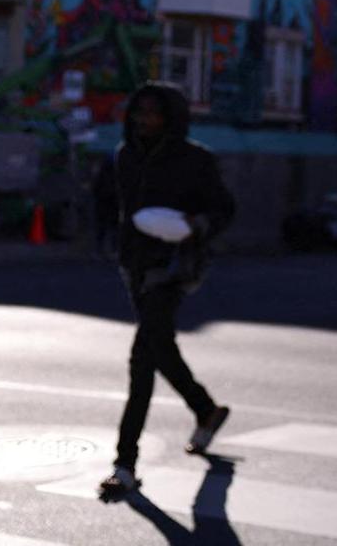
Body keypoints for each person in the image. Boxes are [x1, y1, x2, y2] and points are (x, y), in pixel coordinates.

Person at [99, 82, 236, 502]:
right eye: (139, 113)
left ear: (171, 117)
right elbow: (107, 202)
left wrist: (196, 225)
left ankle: (124, 465)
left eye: (154, 114)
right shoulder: (125, 154)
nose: (145, 121)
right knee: (162, 349)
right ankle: (206, 410)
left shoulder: (195, 159)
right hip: (134, 266)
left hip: (172, 269)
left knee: (142, 361)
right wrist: (110, 238)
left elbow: (224, 209)